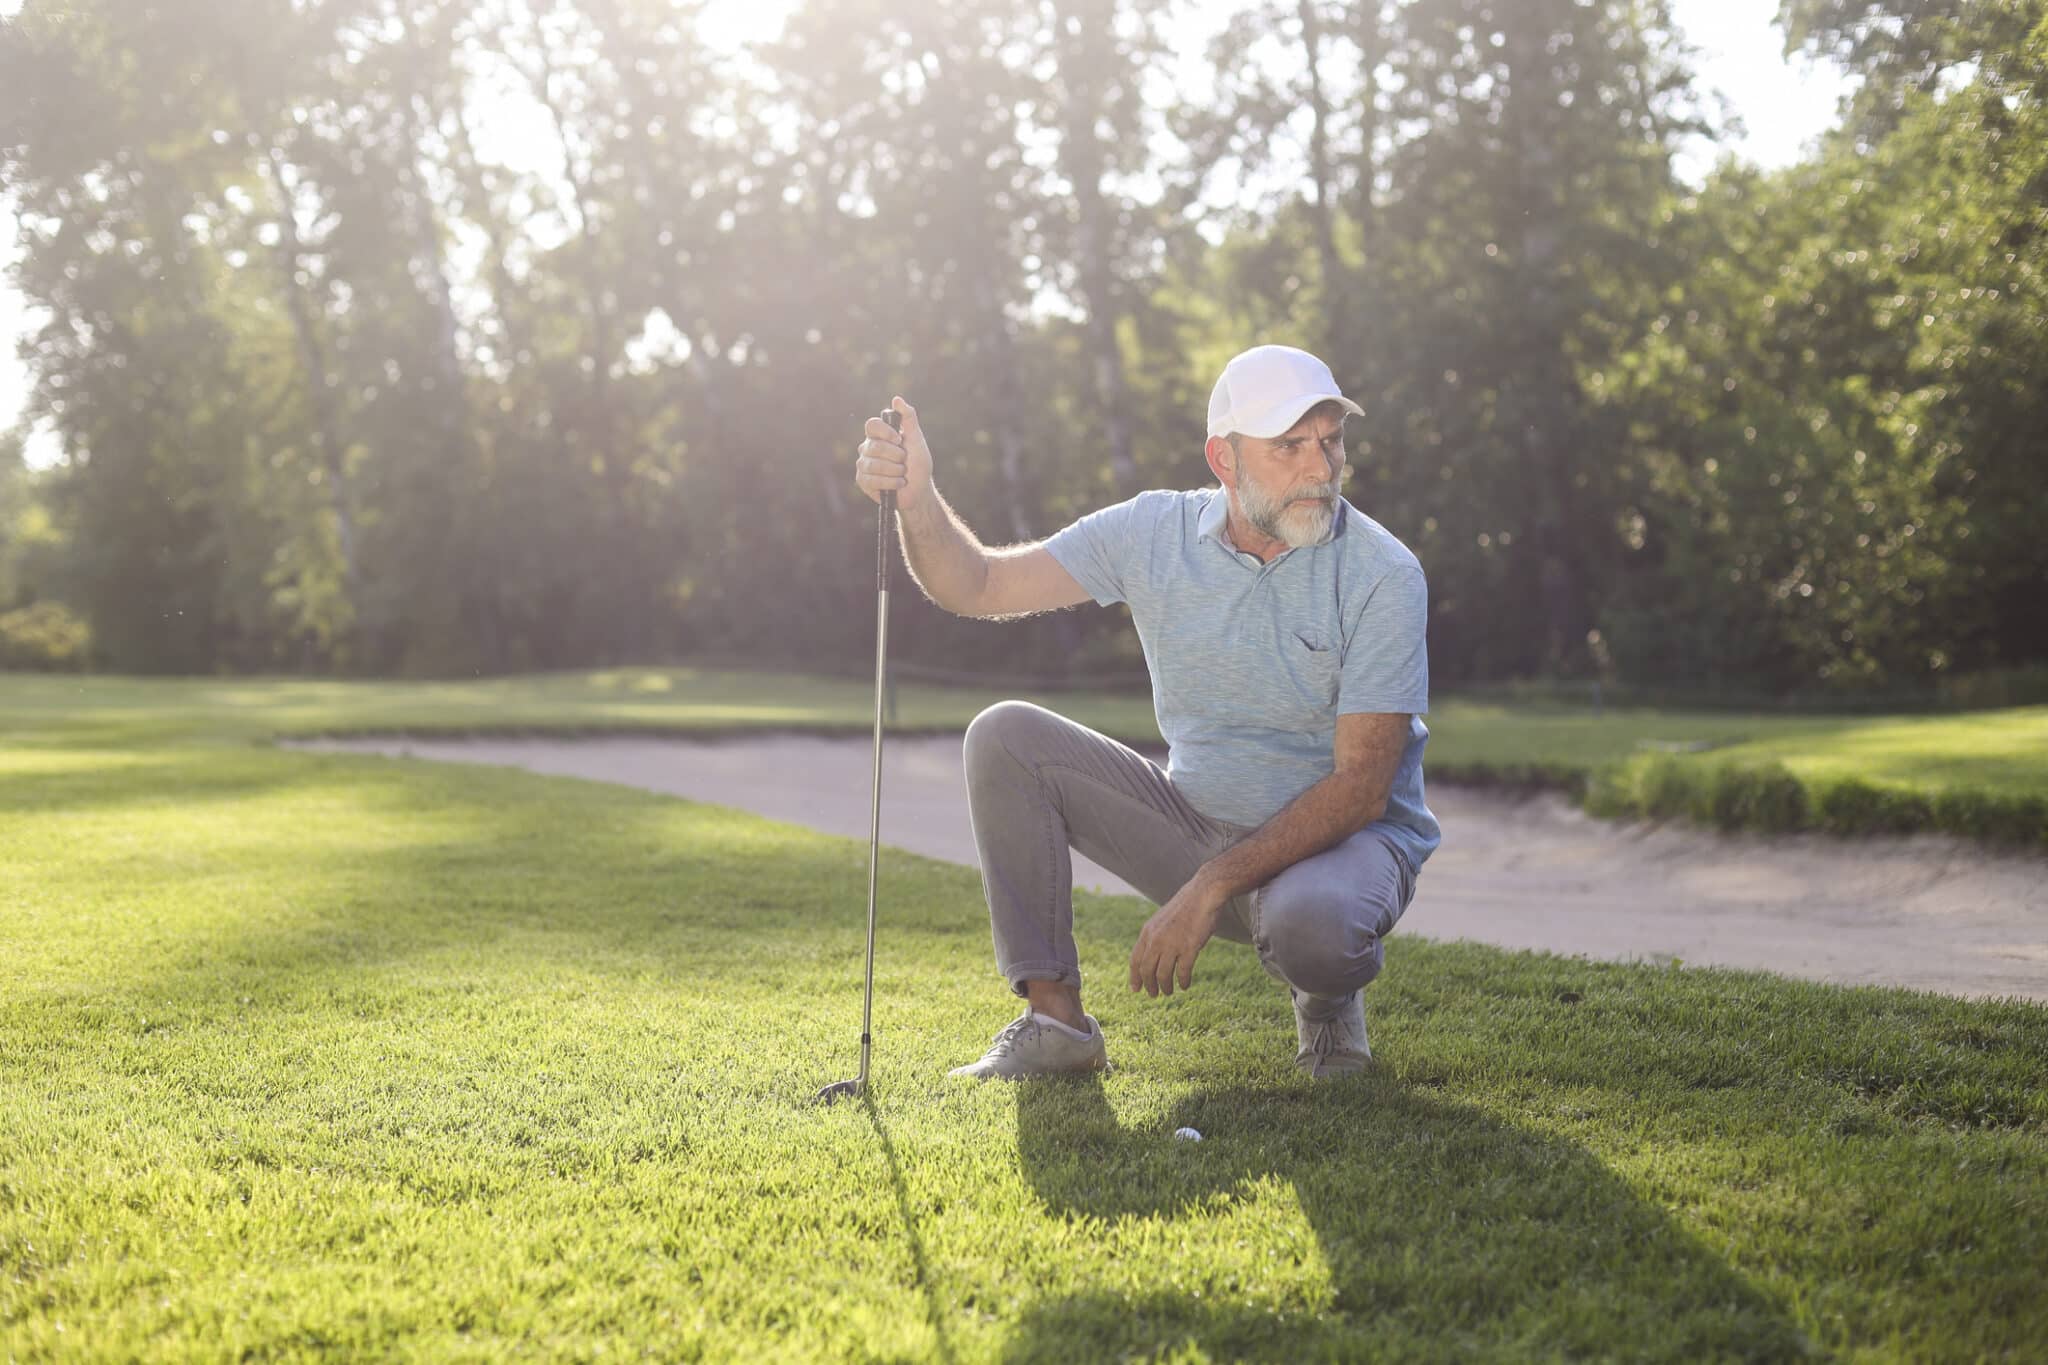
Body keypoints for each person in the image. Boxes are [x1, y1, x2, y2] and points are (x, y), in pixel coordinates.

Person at [850, 344, 1440, 1080]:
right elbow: (975, 583)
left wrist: (1211, 884)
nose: (1320, 469)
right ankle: (1055, 1022)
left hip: (1340, 854)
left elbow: (1362, 788)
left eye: (1330, 441)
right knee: (1005, 737)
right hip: (1195, 824)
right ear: (1224, 460)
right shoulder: (1150, 533)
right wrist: (918, 499)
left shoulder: (1383, 572)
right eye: (1289, 446)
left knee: (1311, 926)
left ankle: (1325, 1001)